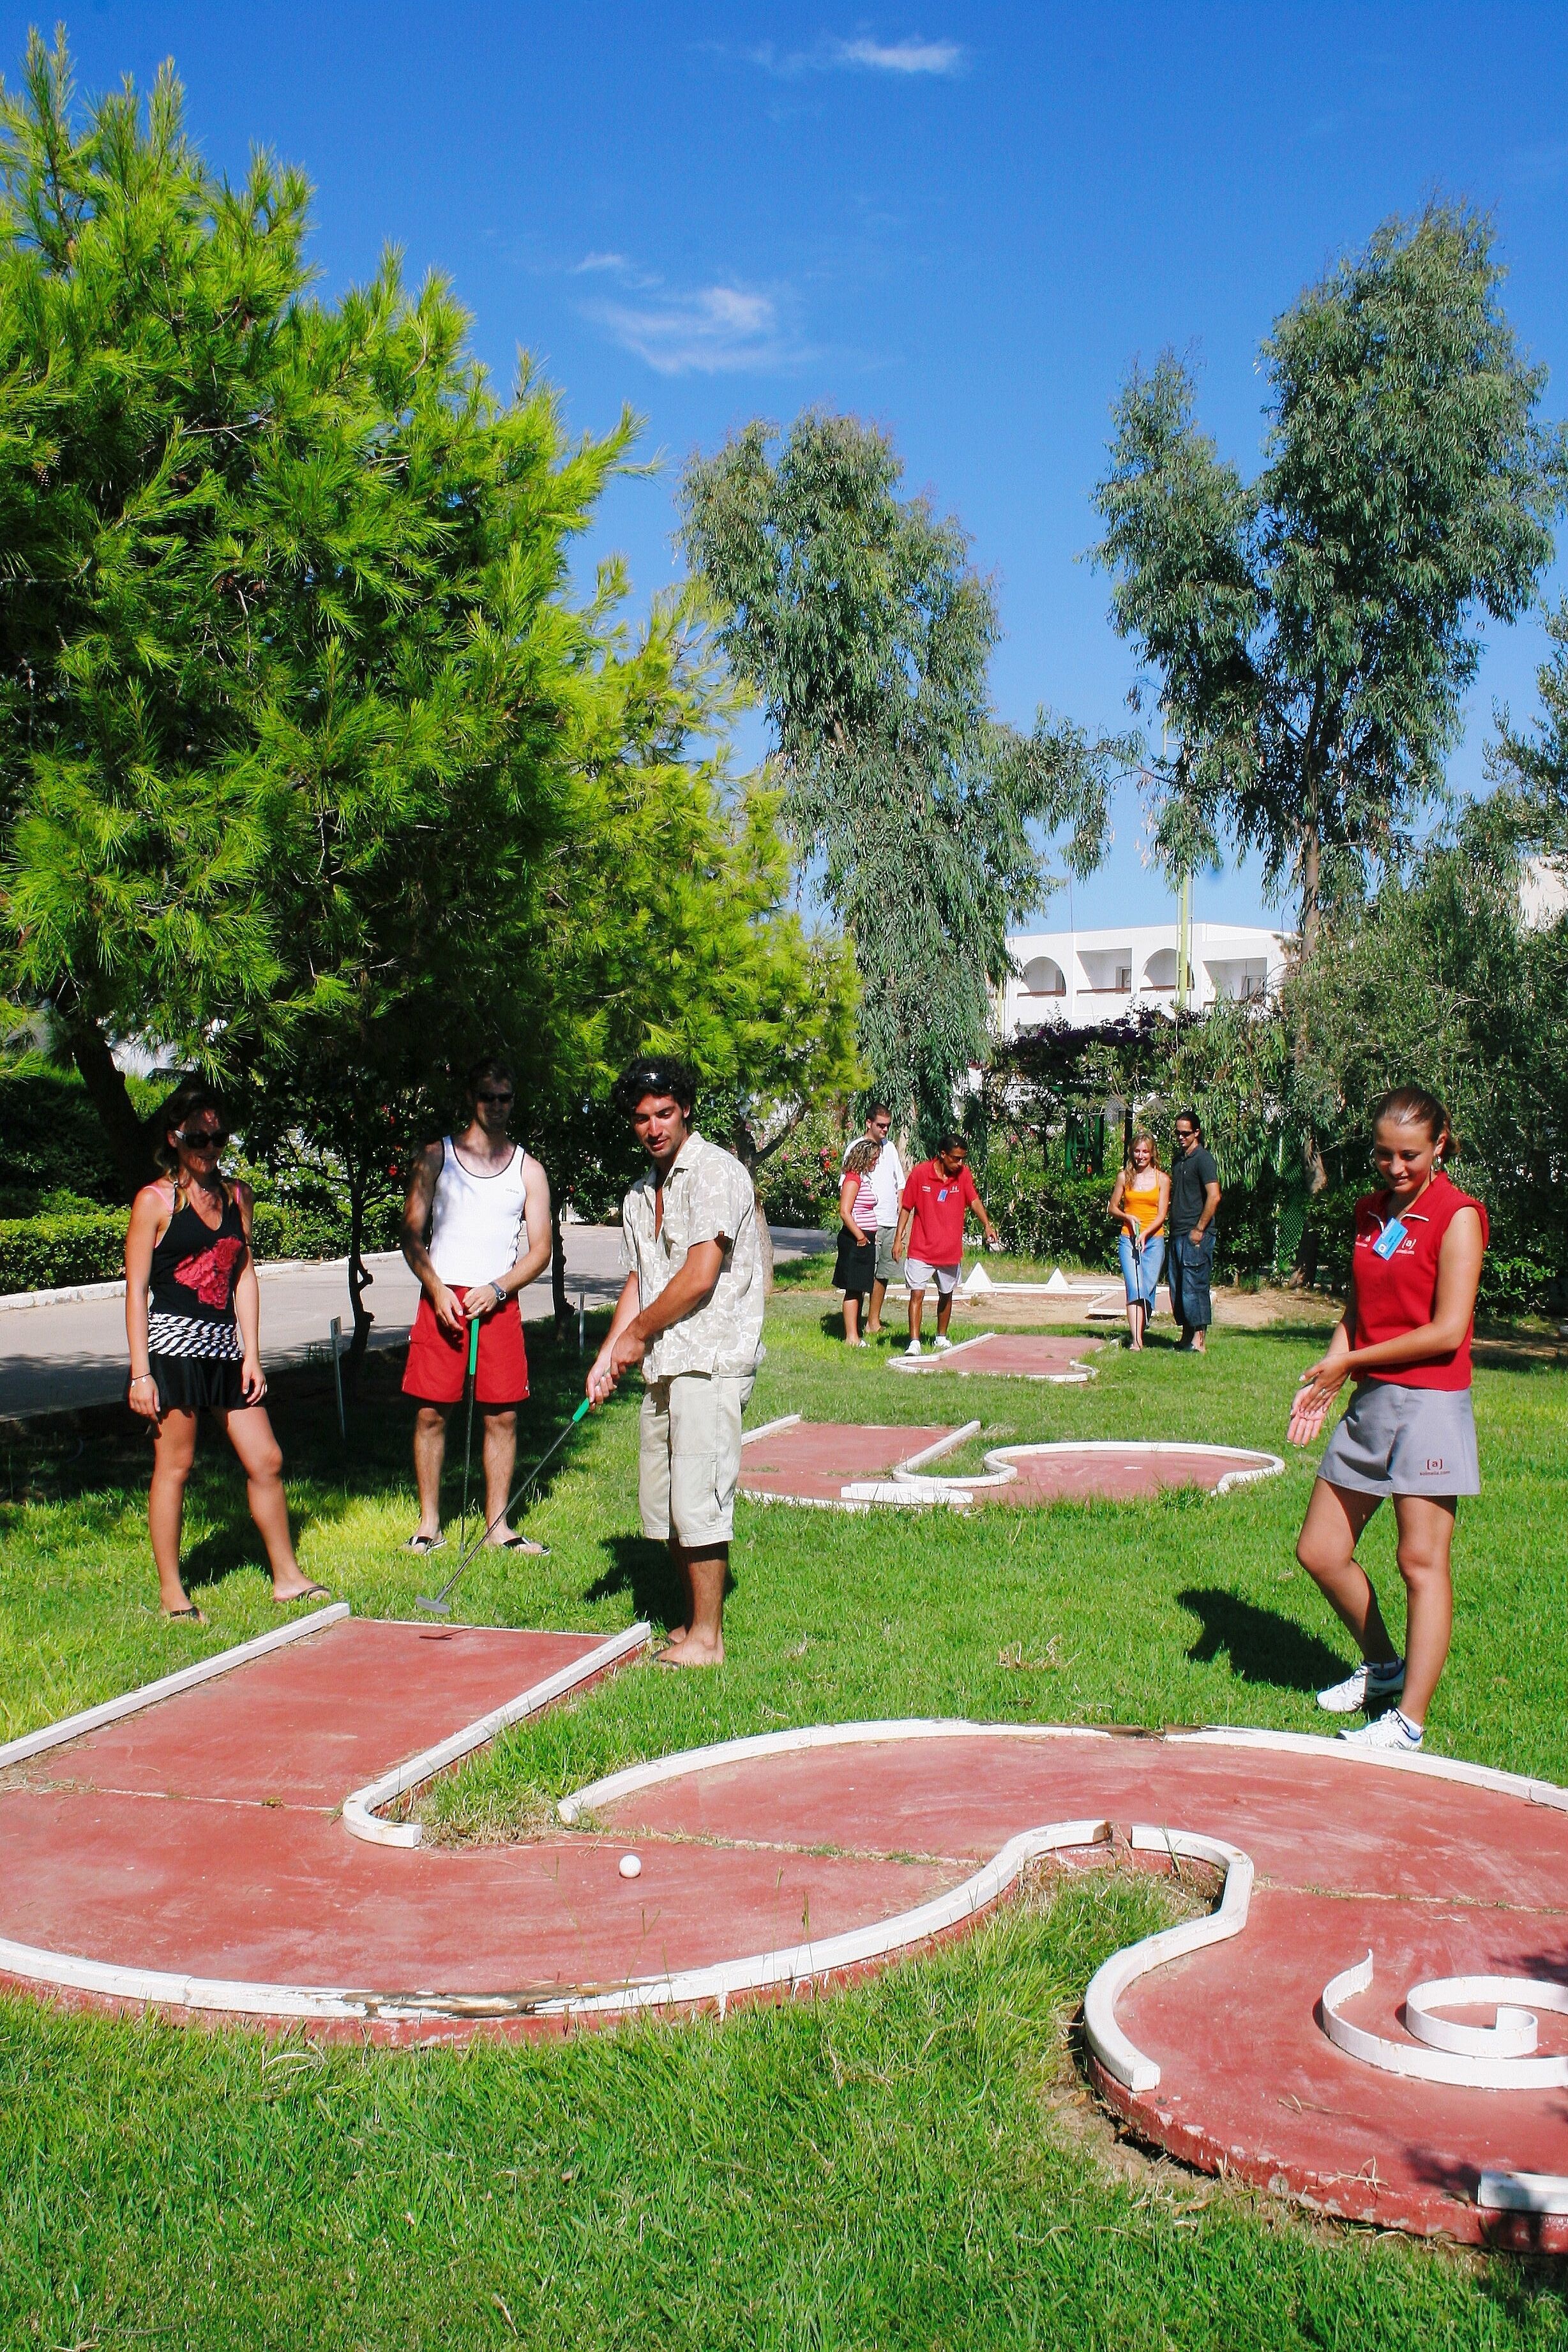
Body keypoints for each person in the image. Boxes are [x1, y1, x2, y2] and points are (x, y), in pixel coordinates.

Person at [1287, 1089, 1487, 1753]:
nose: (1394, 1167)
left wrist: (1354, 1363)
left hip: (1428, 1402)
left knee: (1418, 1562)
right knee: (1318, 1551)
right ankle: (1382, 1665)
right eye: (1382, 1153)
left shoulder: (1455, 1215)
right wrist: (1330, 1367)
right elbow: (1357, 1307)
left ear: (1438, 1145)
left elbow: (1445, 1330)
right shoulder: (1370, 1212)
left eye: (1408, 1154)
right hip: (1369, 1396)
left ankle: (1408, 1721)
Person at [587, 1055, 765, 1668]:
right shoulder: (641, 1194)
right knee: (665, 1508)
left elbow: (697, 1276)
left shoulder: (716, 1173)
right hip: (663, 1360)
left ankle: (708, 1639)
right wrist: (610, 1354)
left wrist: (636, 1334)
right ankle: (691, 1623)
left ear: (685, 1109)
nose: (654, 1127)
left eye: (665, 1113)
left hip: (710, 1358)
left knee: (699, 1502)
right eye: (642, 1118)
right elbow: (641, 1278)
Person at [124, 1081, 326, 1624]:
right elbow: (136, 1291)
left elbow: (244, 1276)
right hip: (172, 1350)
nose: (209, 1147)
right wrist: (141, 1373)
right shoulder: (154, 1201)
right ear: (175, 1137)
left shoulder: (239, 1196)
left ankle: (286, 1577)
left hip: (226, 1350)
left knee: (267, 1459)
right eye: (198, 1137)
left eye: (218, 1137)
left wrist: (253, 1354)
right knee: (177, 1466)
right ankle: (173, 1594)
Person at [400, 1057, 552, 1555]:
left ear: (514, 1101)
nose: (497, 1106)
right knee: (430, 1414)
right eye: (488, 1096)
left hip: (497, 1303)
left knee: (502, 1416)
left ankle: (498, 1527)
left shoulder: (529, 1170)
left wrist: (501, 1288)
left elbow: (541, 1251)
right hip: (443, 1301)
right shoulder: (435, 1157)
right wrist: (438, 1288)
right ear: (472, 1098)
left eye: (505, 1098)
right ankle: (429, 1524)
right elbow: (411, 1235)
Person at [893, 1134, 1001, 1359]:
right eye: (956, 1159)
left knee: (946, 1294)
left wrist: (987, 1225)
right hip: (921, 1249)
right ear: (943, 1155)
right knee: (917, 1295)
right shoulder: (920, 1174)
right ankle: (914, 1342)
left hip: (949, 1250)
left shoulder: (963, 1175)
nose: (960, 1163)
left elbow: (973, 1200)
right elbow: (906, 1208)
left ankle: (941, 1336)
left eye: (963, 1159)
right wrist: (898, 1239)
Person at [840, 1103, 905, 1334]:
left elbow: (900, 1183)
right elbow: (846, 1194)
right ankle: (853, 1330)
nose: (885, 1130)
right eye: (880, 1125)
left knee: (883, 1273)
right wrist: (858, 1231)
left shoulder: (890, 1149)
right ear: (869, 1123)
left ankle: (873, 1322)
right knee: (860, 1278)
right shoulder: (857, 1149)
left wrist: (901, 1211)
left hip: (889, 1220)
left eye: (888, 1126)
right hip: (867, 1225)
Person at [1108, 1133, 1170, 1350]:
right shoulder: (1124, 1177)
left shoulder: (1162, 1179)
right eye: (1137, 1151)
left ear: (1152, 1153)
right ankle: (1137, 1341)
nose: (1141, 1156)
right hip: (1129, 1240)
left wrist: (1145, 1233)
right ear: (1131, 1152)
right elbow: (1112, 1207)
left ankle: (1141, 1329)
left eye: (1145, 1151)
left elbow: (1162, 1215)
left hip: (1154, 1240)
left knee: (1147, 1289)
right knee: (1134, 1287)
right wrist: (1127, 1217)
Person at [1168, 1110, 1222, 1352]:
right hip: (1177, 1232)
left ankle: (1199, 1341)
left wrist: (1200, 1229)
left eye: (1185, 1133)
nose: (1181, 1137)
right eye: (1177, 1133)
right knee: (1178, 1287)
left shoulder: (1204, 1159)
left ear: (1196, 1133)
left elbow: (1214, 1196)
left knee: (1195, 1286)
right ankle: (1185, 1337)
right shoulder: (1178, 1160)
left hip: (1196, 1234)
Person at [834, 1138, 881, 1344]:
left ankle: (855, 1333)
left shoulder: (863, 1179)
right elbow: (845, 1211)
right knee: (853, 1287)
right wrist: (860, 1236)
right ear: (864, 1158)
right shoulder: (852, 1180)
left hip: (865, 1238)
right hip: (856, 1239)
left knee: (860, 1286)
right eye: (874, 1159)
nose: (876, 1163)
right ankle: (851, 1336)